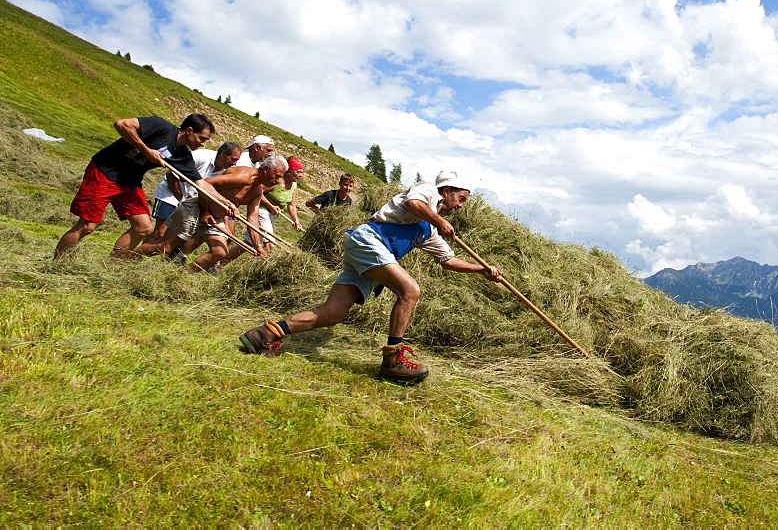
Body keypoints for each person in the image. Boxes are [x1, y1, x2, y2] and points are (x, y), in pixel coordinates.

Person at [239, 171, 503, 384]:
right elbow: (414, 204)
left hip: (368, 252)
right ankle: (393, 361)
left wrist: (482, 270)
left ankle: (266, 334)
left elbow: (447, 261)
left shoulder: (429, 230)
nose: (460, 206)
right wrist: (439, 220)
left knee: (333, 314)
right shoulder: (427, 192)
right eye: (461, 198)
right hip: (368, 241)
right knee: (410, 291)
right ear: (446, 191)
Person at [54, 114, 235, 259]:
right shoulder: (161, 126)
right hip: (104, 172)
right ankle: (58, 263)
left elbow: (201, 184)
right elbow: (121, 124)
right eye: (202, 138)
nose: (203, 144)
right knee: (87, 226)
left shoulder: (182, 155)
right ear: (189, 130)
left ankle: (112, 264)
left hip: (129, 183)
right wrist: (146, 150)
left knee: (144, 228)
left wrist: (226, 202)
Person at [134, 155, 288, 272]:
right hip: (196, 204)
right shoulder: (242, 177)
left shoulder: (257, 190)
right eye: (278, 176)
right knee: (165, 246)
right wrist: (205, 211)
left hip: (216, 214)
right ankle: (128, 258)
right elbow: (204, 184)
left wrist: (258, 246)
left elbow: (252, 219)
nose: (278, 182)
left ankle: (179, 276)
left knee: (219, 252)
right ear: (267, 169)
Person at [145, 140, 242, 243]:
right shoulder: (201, 156)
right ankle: (135, 255)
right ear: (223, 153)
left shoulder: (224, 172)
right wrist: (181, 199)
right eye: (233, 159)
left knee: (175, 237)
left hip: (189, 202)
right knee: (160, 232)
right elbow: (171, 174)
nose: (234, 163)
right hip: (170, 195)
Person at [261, 156, 305, 232]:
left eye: (301, 172)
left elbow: (291, 205)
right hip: (261, 211)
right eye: (298, 172)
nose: (300, 175)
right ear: (289, 171)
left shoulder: (294, 185)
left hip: (272, 216)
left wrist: (296, 221)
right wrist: (270, 206)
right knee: (269, 242)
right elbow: (257, 192)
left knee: (250, 242)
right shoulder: (277, 181)